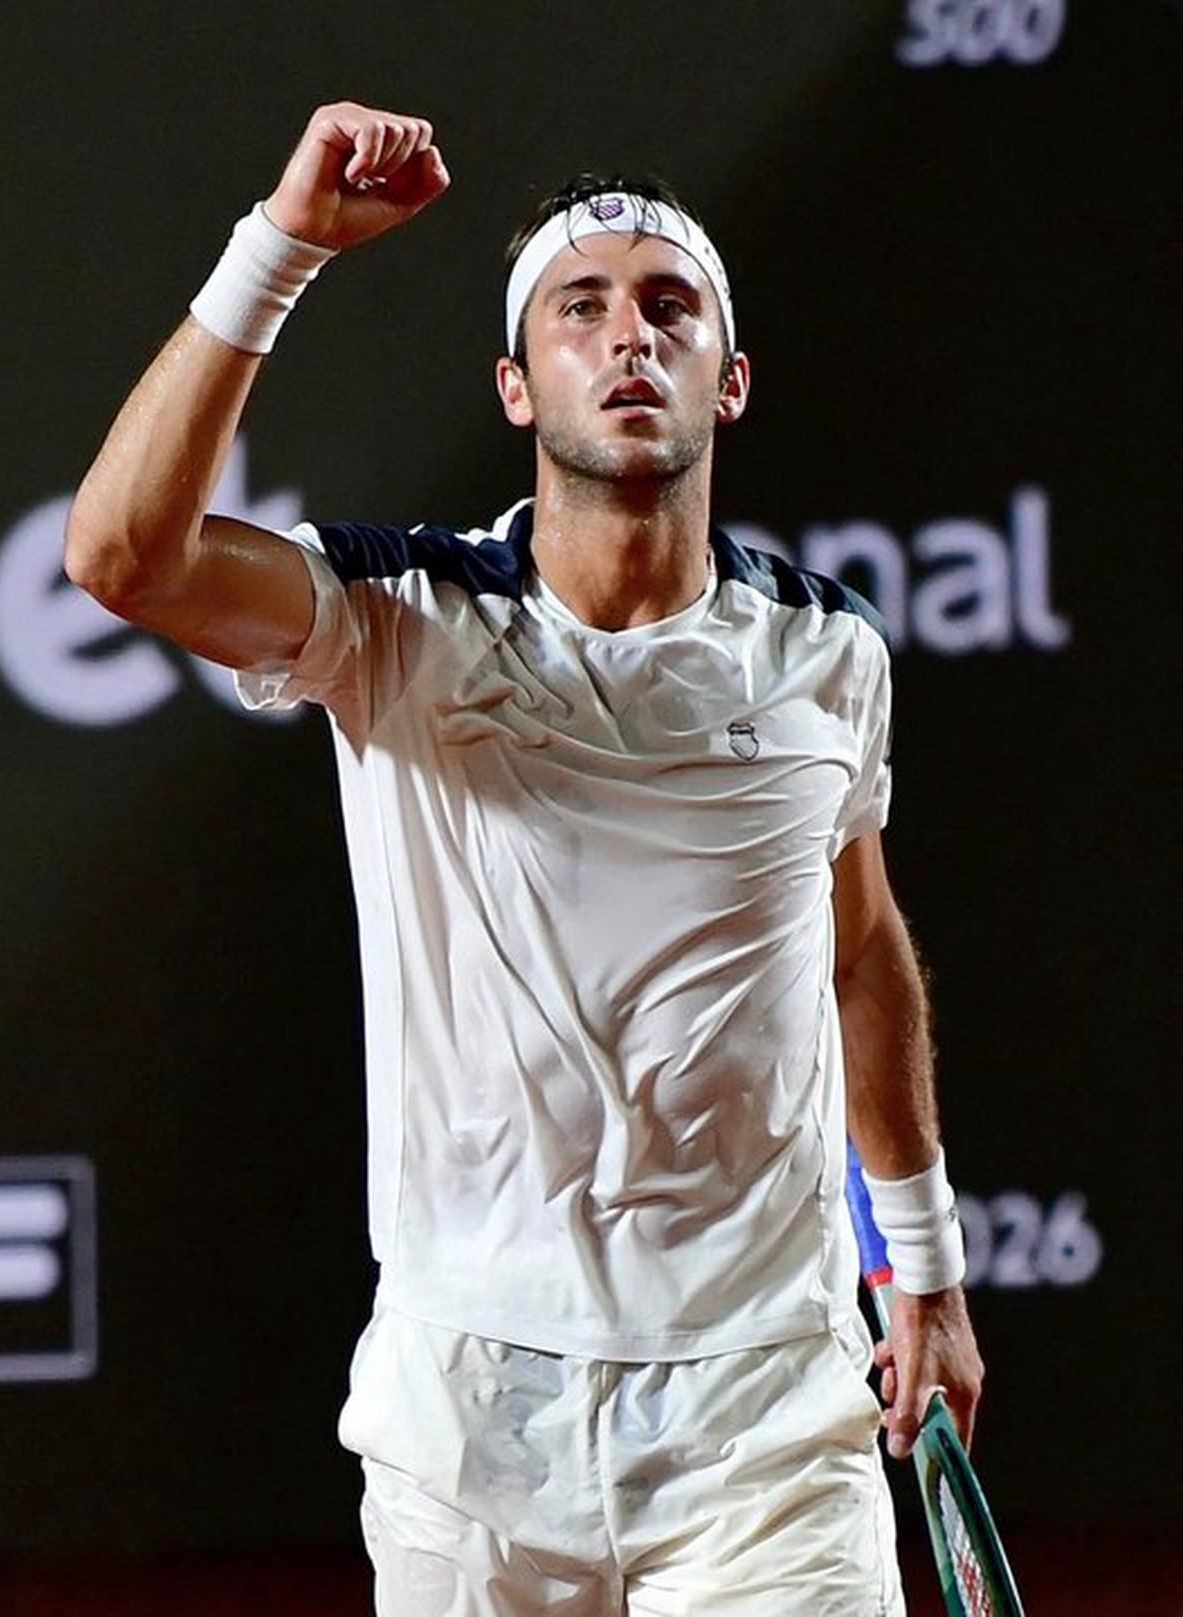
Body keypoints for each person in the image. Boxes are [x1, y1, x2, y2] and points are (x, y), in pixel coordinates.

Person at [66, 103, 983, 1616]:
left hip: (770, 1424)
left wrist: (930, 1269)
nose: (631, 336)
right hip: (472, 1423)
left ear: (729, 382)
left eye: (671, 307)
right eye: (584, 307)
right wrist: (281, 246)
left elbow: (861, 940)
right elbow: (121, 557)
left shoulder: (826, 654)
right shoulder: (398, 620)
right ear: (516, 382)